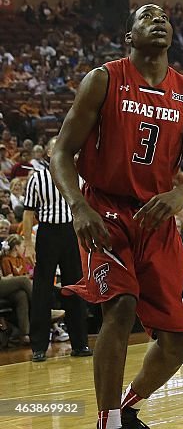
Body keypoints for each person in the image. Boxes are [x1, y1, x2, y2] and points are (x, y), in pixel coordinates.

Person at [51, 4, 183, 429]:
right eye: (146, 16)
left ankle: (126, 406)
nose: (158, 20)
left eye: (163, 17)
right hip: (106, 210)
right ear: (129, 36)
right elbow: (61, 151)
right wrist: (79, 206)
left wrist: (178, 196)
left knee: (180, 337)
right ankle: (108, 422)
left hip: (157, 215)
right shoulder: (103, 79)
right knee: (119, 306)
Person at [22, 135, 91, 362]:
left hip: (73, 233)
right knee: (42, 289)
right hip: (48, 234)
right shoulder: (37, 179)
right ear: (49, 154)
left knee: (75, 287)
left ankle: (80, 343)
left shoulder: (80, 177)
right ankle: (38, 347)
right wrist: (28, 243)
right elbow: (29, 213)